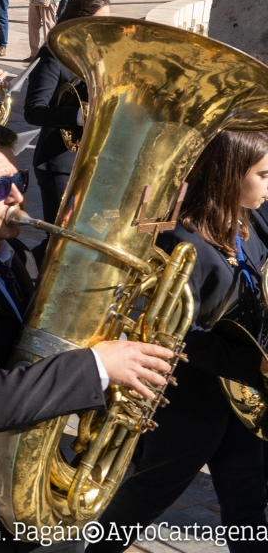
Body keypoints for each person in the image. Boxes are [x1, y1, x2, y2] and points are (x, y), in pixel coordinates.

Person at [0, 119, 174, 552]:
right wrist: (99, 365)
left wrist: (138, 222)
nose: (19, 196)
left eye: (18, 180)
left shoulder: (18, 253)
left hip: (24, 492)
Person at [88, 131, 268, 553]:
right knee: (148, 494)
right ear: (229, 176)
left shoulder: (250, 220)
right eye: (262, 174)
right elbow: (175, 333)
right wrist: (250, 363)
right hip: (190, 399)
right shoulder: (184, 240)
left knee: (248, 504)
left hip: (241, 394)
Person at [24, 0, 111, 222]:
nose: (104, 28)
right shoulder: (52, 55)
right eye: (99, 21)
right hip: (59, 164)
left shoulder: (97, 55)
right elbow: (33, 110)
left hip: (92, 160)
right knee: (61, 236)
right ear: (78, 19)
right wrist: (81, 116)